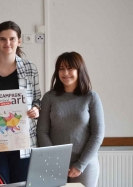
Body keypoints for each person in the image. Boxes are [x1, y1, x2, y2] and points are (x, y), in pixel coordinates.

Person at [0, 21, 41, 183]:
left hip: (22, 142)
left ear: (19, 41)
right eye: (3, 39)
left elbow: (38, 100)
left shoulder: (30, 68)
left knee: (22, 184)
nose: (7, 43)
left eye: (12, 39)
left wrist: (36, 109)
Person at [37, 52, 105, 187]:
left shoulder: (91, 97)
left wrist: (80, 164)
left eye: (70, 68)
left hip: (85, 165)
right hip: (54, 163)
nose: (65, 72)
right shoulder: (49, 97)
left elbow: (98, 134)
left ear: (80, 70)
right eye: (61, 68)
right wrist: (55, 161)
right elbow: (42, 131)